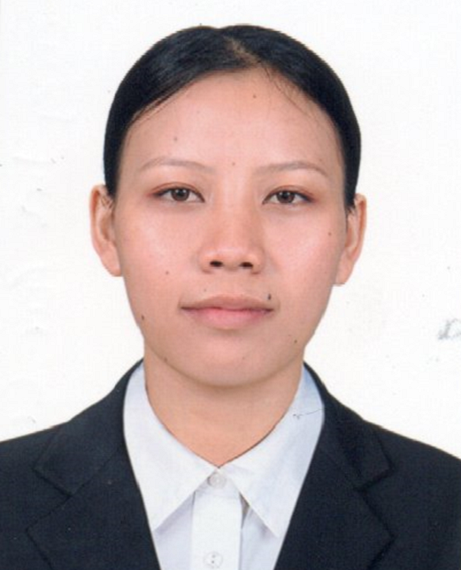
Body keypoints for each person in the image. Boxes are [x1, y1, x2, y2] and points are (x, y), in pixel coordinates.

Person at [0, 24, 460, 570]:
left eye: (287, 196)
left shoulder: (446, 515)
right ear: (107, 227)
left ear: (350, 236)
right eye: (178, 193)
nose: (233, 249)